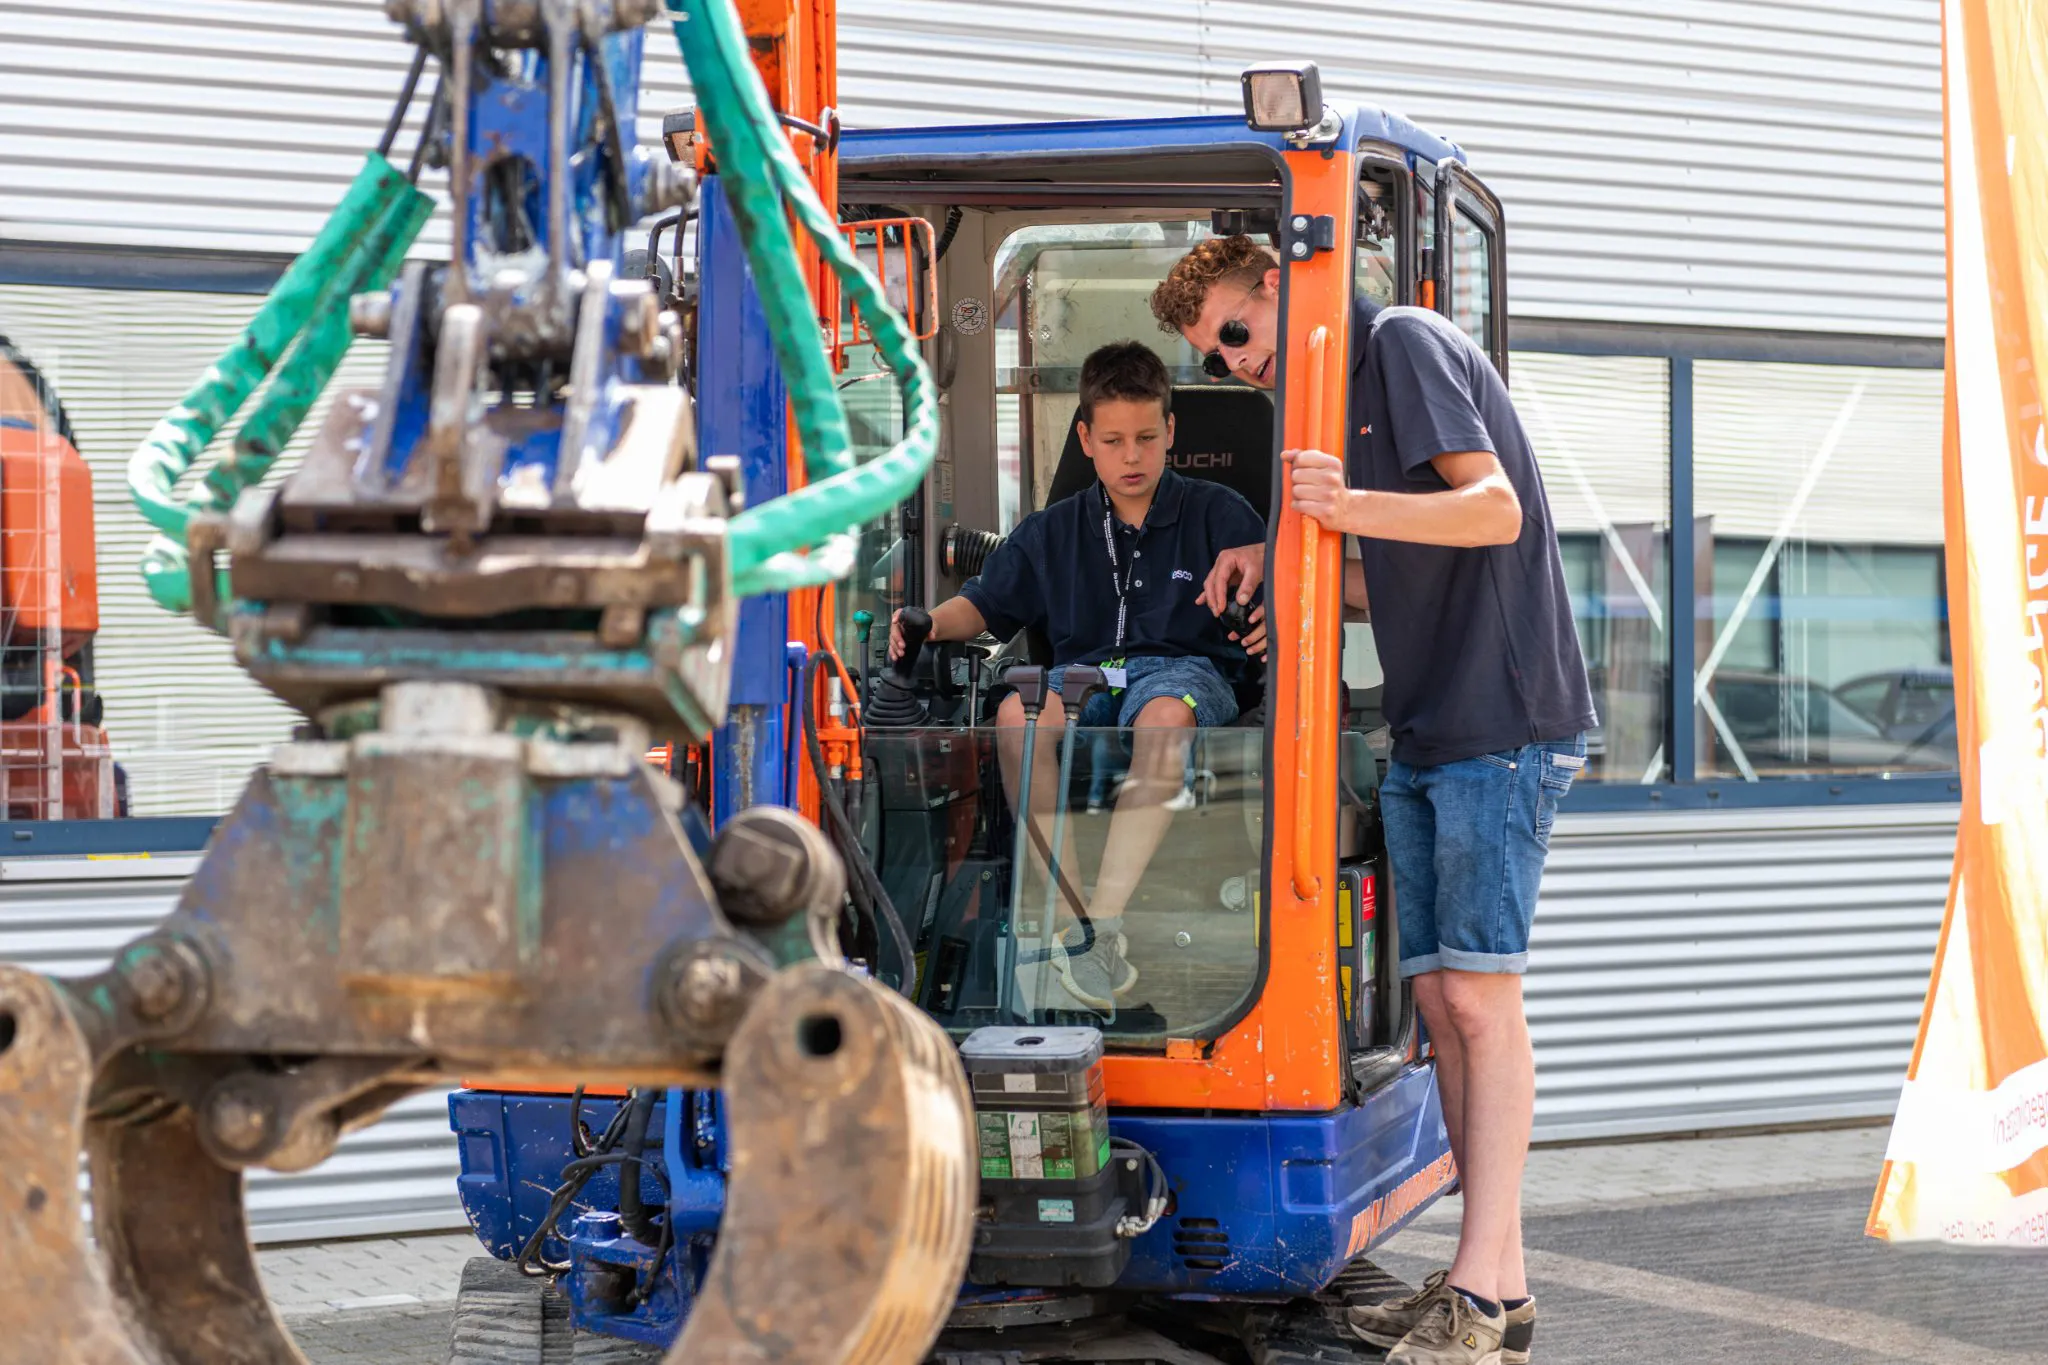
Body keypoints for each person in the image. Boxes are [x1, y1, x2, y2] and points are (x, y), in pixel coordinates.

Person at [1152, 235, 1595, 1365]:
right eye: (1214, 359)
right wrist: (1279, 563)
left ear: (1274, 284)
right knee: (1440, 1007)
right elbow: (1387, 575)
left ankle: (1482, 1304)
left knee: (1480, 1007)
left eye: (1233, 335)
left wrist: (1336, 505)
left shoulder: (1400, 344)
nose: (1234, 364)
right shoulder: (1334, 398)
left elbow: (1489, 512)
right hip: (1428, 723)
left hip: (1501, 720)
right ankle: (1488, 1282)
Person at [888, 340, 1263, 1010]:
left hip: (1186, 671)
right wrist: (929, 623)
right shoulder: (1051, 530)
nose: (1132, 456)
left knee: (1165, 716)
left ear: (1171, 431)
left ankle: (1101, 926)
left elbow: (1275, 597)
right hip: (1083, 674)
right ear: (1084, 438)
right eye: (1114, 440)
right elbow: (983, 603)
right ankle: (1066, 918)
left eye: (1148, 437)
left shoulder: (1220, 514)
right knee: (1018, 717)